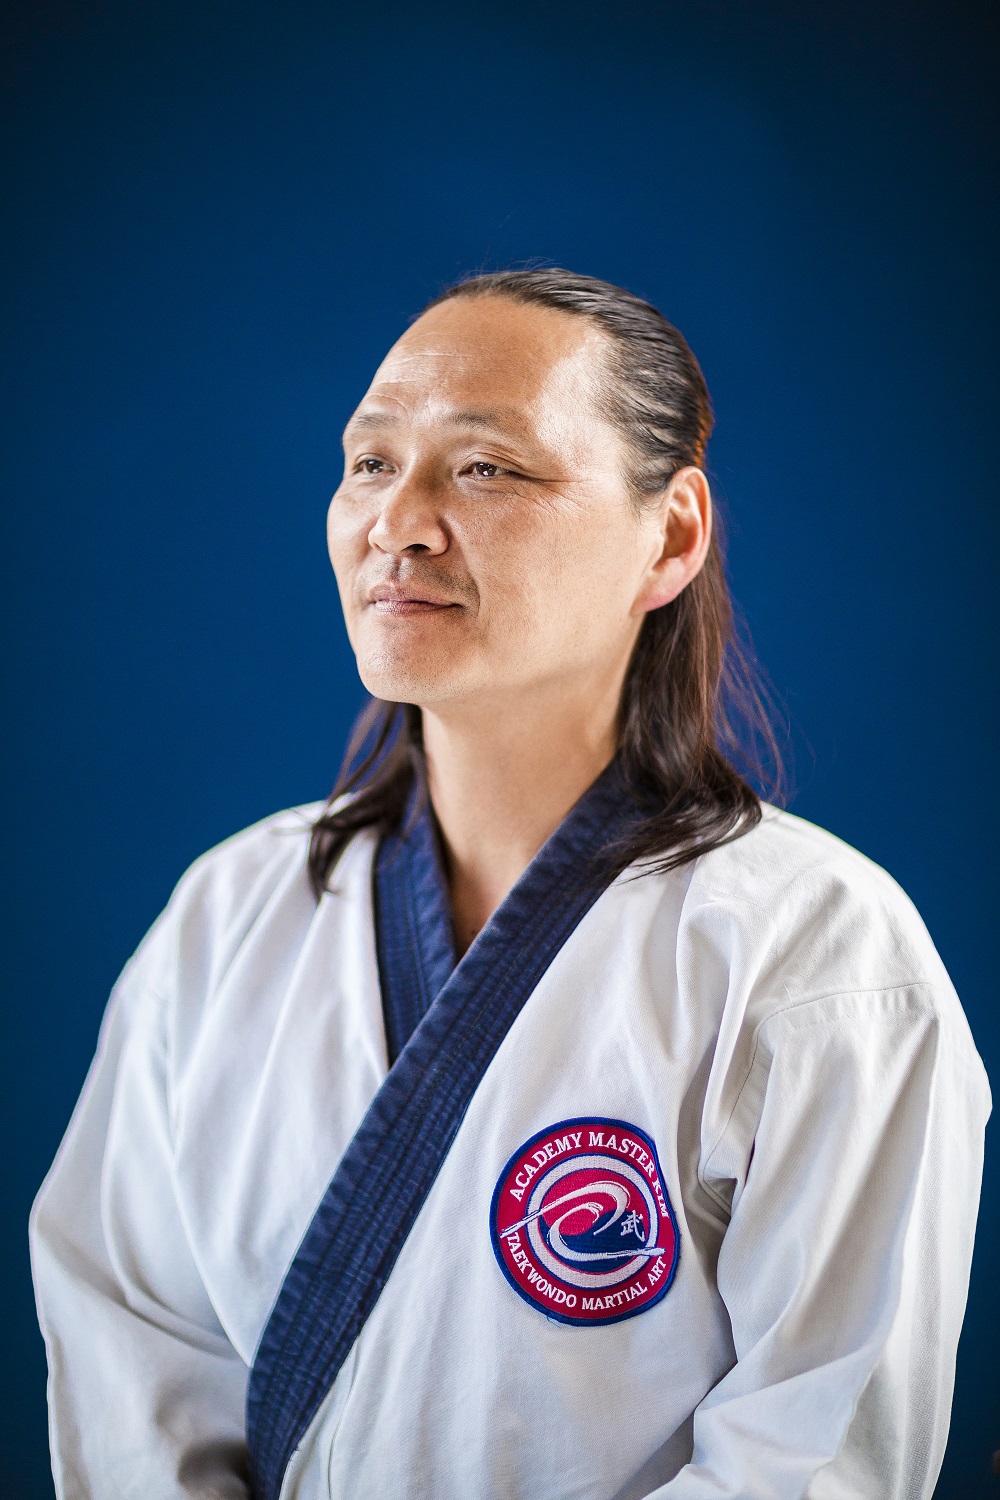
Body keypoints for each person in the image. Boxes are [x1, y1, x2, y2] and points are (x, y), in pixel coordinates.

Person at [31, 268, 990, 1500]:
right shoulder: (229, 917)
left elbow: (812, 1456)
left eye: (485, 467)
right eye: (371, 463)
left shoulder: (814, 954)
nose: (398, 522)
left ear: (670, 536)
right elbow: (129, 1363)